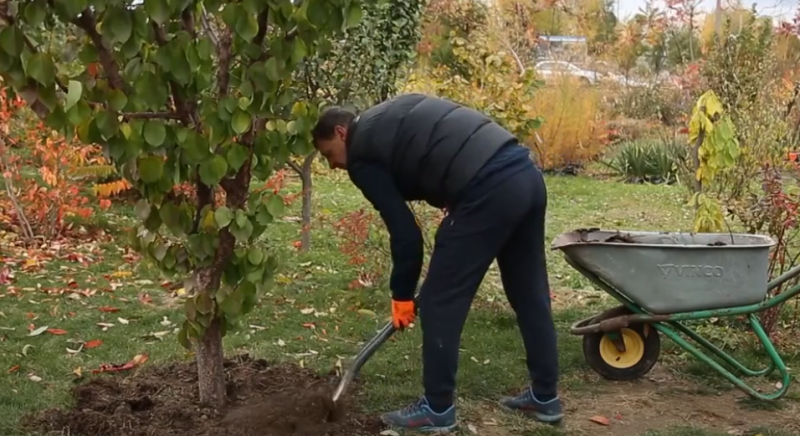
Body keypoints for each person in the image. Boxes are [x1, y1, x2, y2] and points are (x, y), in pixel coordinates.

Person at [311, 93, 561, 432]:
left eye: (329, 155)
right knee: (528, 291)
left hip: (487, 189)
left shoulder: (361, 156)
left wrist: (401, 294)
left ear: (341, 133)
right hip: (524, 175)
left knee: (440, 300)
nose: (333, 165)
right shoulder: (389, 113)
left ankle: (437, 408)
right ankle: (545, 397)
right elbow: (439, 144)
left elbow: (406, 234)